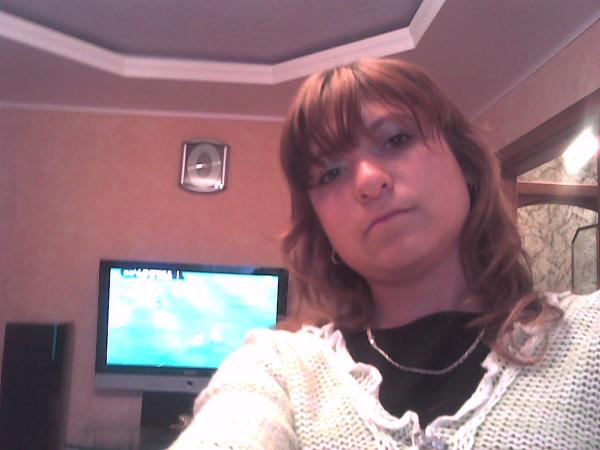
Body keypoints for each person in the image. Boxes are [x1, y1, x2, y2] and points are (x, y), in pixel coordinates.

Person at [168, 58, 600, 449]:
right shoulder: (278, 369)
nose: (368, 181)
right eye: (330, 172)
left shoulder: (587, 341)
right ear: (322, 226)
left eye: (396, 139)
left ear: (465, 163)